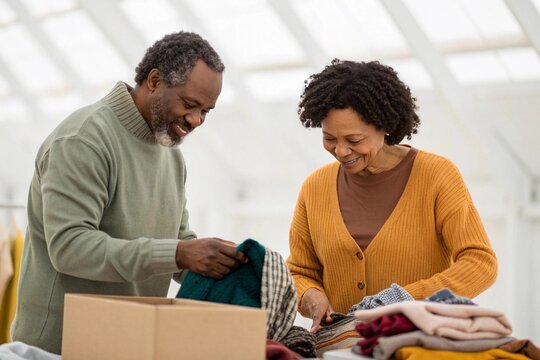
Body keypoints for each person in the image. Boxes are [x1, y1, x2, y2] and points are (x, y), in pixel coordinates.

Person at [11, 31, 247, 354]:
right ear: (154, 81)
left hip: (126, 343)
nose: (196, 120)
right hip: (58, 348)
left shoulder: (171, 157)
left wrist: (217, 261)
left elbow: (176, 240)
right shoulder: (84, 140)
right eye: (189, 104)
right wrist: (178, 252)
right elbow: (69, 247)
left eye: (206, 111)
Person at [286, 59, 498, 333]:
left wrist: (404, 300)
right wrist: (310, 296)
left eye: (353, 140)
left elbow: (480, 262)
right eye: (329, 139)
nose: (340, 151)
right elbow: (300, 270)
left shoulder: (437, 175)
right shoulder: (315, 187)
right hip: (339, 351)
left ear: (385, 126)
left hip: (417, 346)